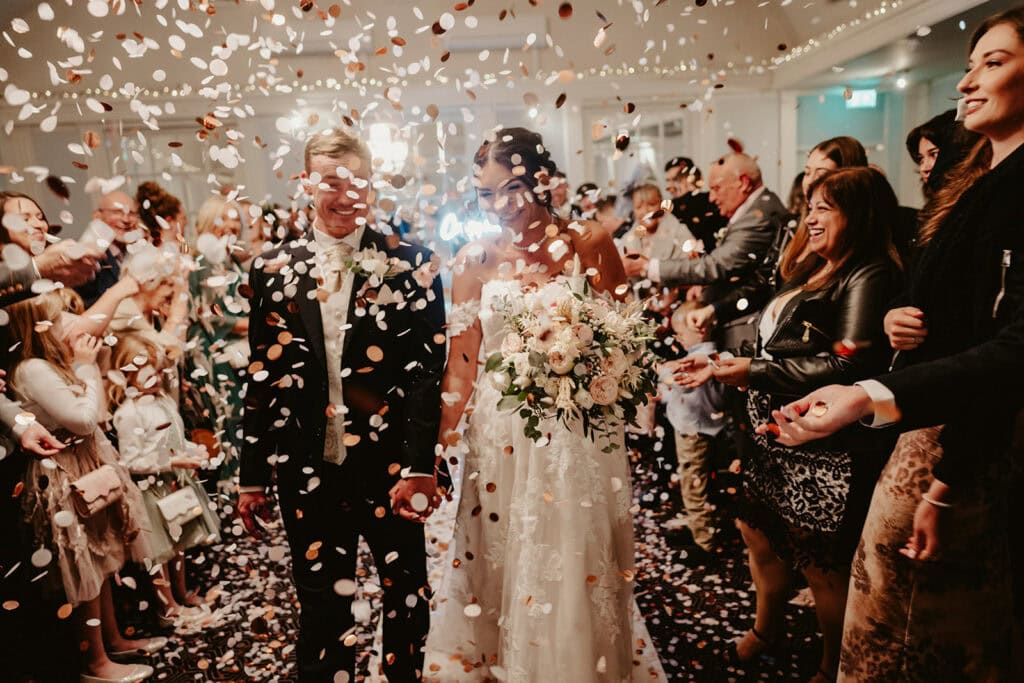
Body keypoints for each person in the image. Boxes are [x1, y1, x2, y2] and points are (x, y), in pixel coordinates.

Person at [763, 9, 1024, 680]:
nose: (966, 82)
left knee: (905, 635)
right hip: (925, 422)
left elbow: (1013, 348)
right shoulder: (973, 184)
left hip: (964, 441)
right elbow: (958, 308)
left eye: (992, 63)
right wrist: (905, 318)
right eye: (968, 65)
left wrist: (940, 475)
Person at [424, 126, 663, 681]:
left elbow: (629, 339)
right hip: (500, 435)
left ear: (544, 181)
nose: (500, 204)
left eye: (512, 188)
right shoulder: (474, 259)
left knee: (572, 553)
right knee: (504, 554)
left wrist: (593, 369)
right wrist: (434, 449)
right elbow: (461, 362)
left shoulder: (590, 242)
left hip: (578, 433)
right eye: (486, 193)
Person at [237, 128, 446, 682]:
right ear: (306, 183)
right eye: (331, 181)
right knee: (321, 610)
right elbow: (263, 374)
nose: (346, 193)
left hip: (391, 469)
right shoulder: (270, 269)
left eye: (357, 181)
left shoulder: (412, 262)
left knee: (406, 599)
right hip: (307, 466)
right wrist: (251, 475)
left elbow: (428, 375)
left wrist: (420, 466)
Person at [680, 166, 902, 681]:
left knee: (821, 567)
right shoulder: (812, 268)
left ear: (860, 215)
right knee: (758, 534)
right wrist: (719, 363)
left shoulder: (869, 273)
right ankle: (765, 629)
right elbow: (776, 339)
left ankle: (831, 665)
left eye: (825, 207)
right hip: (771, 438)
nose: (812, 217)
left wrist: (752, 372)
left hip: (820, 447)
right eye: (810, 205)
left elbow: (850, 363)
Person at [6, 293, 159, 683]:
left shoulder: (52, 362)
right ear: (37, 327)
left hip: (85, 464)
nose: (71, 323)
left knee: (102, 559)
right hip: (64, 473)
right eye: (59, 319)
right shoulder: (33, 367)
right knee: (84, 566)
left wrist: (85, 367)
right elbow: (83, 421)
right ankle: (96, 663)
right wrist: (87, 369)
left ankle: (113, 640)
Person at [685, 138, 866, 342]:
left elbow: (834, 350)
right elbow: (763, 284)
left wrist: (755, 366)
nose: (810, 181)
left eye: (821, 173)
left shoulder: (854, 256)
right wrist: (714, 310)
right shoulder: (791, 227)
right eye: (807, 172)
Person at [623, 152, 788, 350]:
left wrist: (649, 266)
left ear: (743, 182)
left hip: (746, 322)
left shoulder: (758, 216)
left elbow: (716, 266)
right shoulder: (756, 209)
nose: (712, 197)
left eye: (716, 188)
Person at [110, 333, 220, 626]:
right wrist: (172, 461)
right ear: (125, 374)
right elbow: (130, 462)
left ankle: (181, 593)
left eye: (159, 370)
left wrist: (192, 451)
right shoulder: (128, 414)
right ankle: (167, 608)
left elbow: (174, 438)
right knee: (159, 551)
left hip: (174, 481)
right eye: (148, 372)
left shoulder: (163, 402)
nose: (157, 377)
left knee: (179, 542)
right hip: (150, 490)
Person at [659, 301, 728, 553]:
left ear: (699, 329)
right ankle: (698, 528)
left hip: (693, 430)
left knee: (693, 485)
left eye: (681, 332)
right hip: (699, 426)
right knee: (695, 483)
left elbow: (681, 384)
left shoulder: (699, 359)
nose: (678, 338)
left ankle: (704, 543)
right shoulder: (716, 354)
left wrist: (659, 371)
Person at [189, 195, 251, 457]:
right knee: (230, 423)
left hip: (238, 351)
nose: (230, 225)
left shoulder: (231, 260)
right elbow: (209, 315)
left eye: (235, 220)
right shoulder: (204, 261)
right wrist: (249, 324)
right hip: (215, 354)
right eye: (223, 218)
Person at [77, 190, 142, 307]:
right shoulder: (88, 258)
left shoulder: (140, 255)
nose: (126, 220)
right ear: (97, 216)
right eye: (117, 212)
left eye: (131, 213)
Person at [664, 156, 726, 251]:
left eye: (677, 179)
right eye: (668, 180)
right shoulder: (668, 209)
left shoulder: (713, 201)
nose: (671, 186)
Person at [136, 181, 187, 250]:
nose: (186, 222)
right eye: (183, 218)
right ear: (169, 220)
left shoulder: (143, 249)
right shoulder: (176, 252)